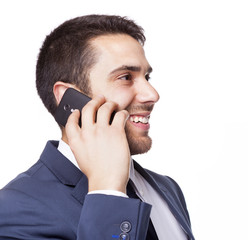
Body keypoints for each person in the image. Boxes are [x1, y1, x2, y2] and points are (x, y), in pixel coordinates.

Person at [0, 14, 194, 240]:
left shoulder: (167, 188)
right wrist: (108, 190)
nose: (152, 94)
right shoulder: (15, 209)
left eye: (147, 76)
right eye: (125, 77)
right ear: (68, 99)